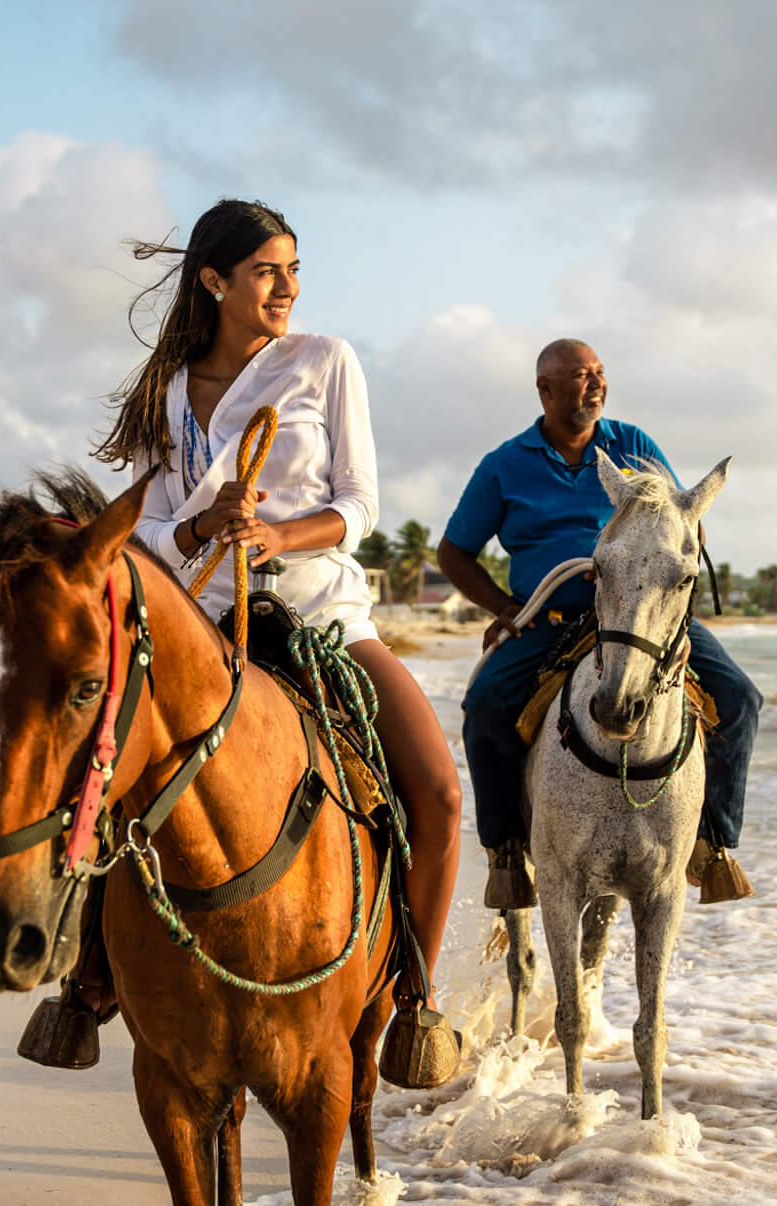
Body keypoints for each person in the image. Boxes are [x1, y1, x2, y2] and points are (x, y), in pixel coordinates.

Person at [92, 198, 463, 1087]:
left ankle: (411, 997)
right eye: (268, 271)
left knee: (441, 794)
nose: (287, 288)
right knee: (98, 781)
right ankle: (86, 980)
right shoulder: (166, 395)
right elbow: (144, 542)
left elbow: (361, 504)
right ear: (215, 281)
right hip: (202, 630)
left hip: (325, 616)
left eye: (295, 270)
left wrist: (277, 538)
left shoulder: (324, 362)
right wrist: (200, 530)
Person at [436, 338, 762, 904]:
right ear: (545, 389)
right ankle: (507, 853)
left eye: (599, 373)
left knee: (740, 699)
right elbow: (453, 553)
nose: (594, 385)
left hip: (640, 616)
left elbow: (684, 521)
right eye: (579, 376)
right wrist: (505, 608)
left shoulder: (633, 446)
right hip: (549, 617)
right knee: (486, 707)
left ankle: (712, 845)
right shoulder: (503, 466)